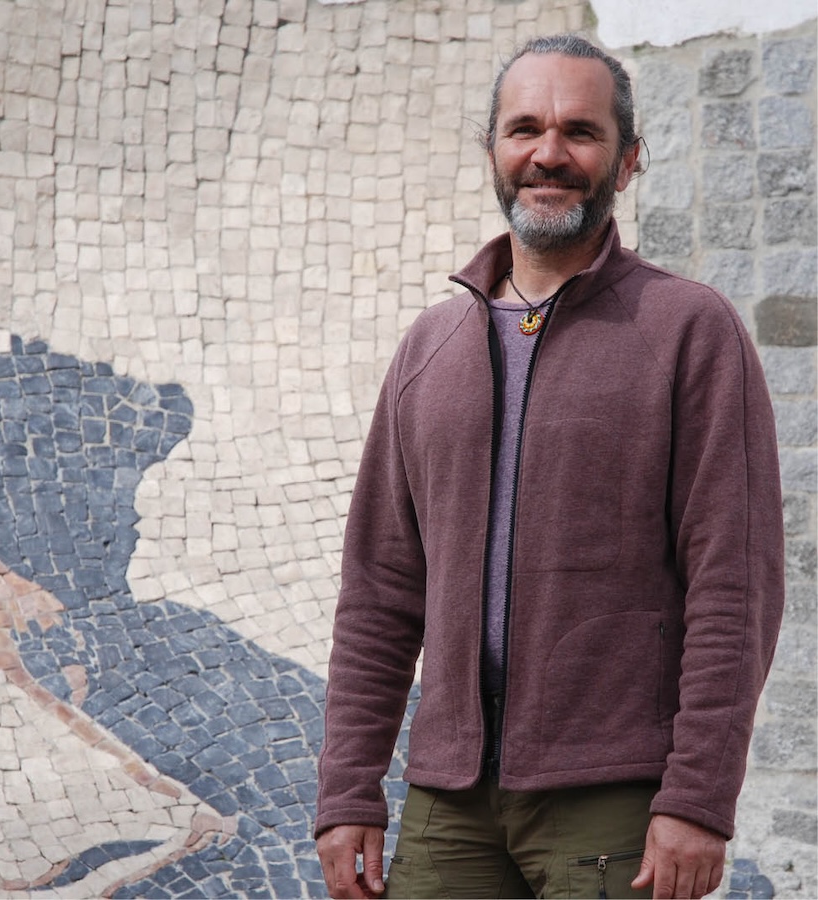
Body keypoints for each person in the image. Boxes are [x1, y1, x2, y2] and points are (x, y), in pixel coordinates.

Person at [314, 33, 784, 900]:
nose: (549, 153)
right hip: (448, 799)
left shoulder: (689, 331)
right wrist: (348, 792)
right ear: (493, 149)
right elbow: (379, 589)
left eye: (581, 131)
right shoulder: (430, 347)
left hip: (616, 800)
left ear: (629, 160)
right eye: (525, 128)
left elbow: (735, 583)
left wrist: (698, 798)